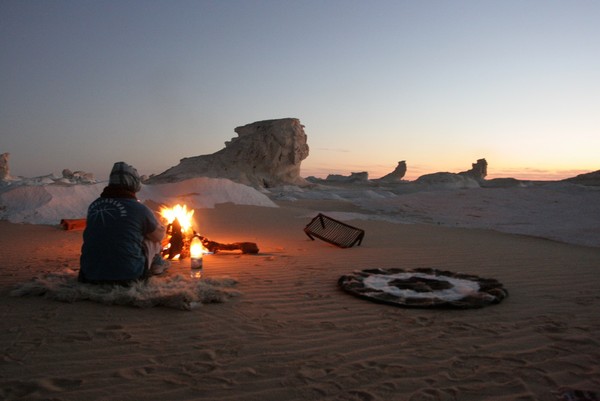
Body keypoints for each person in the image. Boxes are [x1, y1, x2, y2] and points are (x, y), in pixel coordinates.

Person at [79, 162, 168, 285]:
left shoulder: (94, 206)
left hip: (89, 274)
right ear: (133, 183)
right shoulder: (139, 208)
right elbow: (159, 236)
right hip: (129, 276)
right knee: (152, 237)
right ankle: (157, 265)